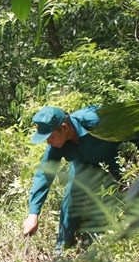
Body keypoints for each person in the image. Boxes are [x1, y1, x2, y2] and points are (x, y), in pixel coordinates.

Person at [22, 105, 124, 252]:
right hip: (84, 165)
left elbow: (131, 130)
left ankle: (102, 239)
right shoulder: (57, 144)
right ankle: (62, 247)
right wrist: (33, 214)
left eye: (50, 137)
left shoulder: (95, 121)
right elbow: (45, 174)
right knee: (72, 194)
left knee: (118, 197)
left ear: (64, 128)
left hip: (115, 163)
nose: (48, 142)